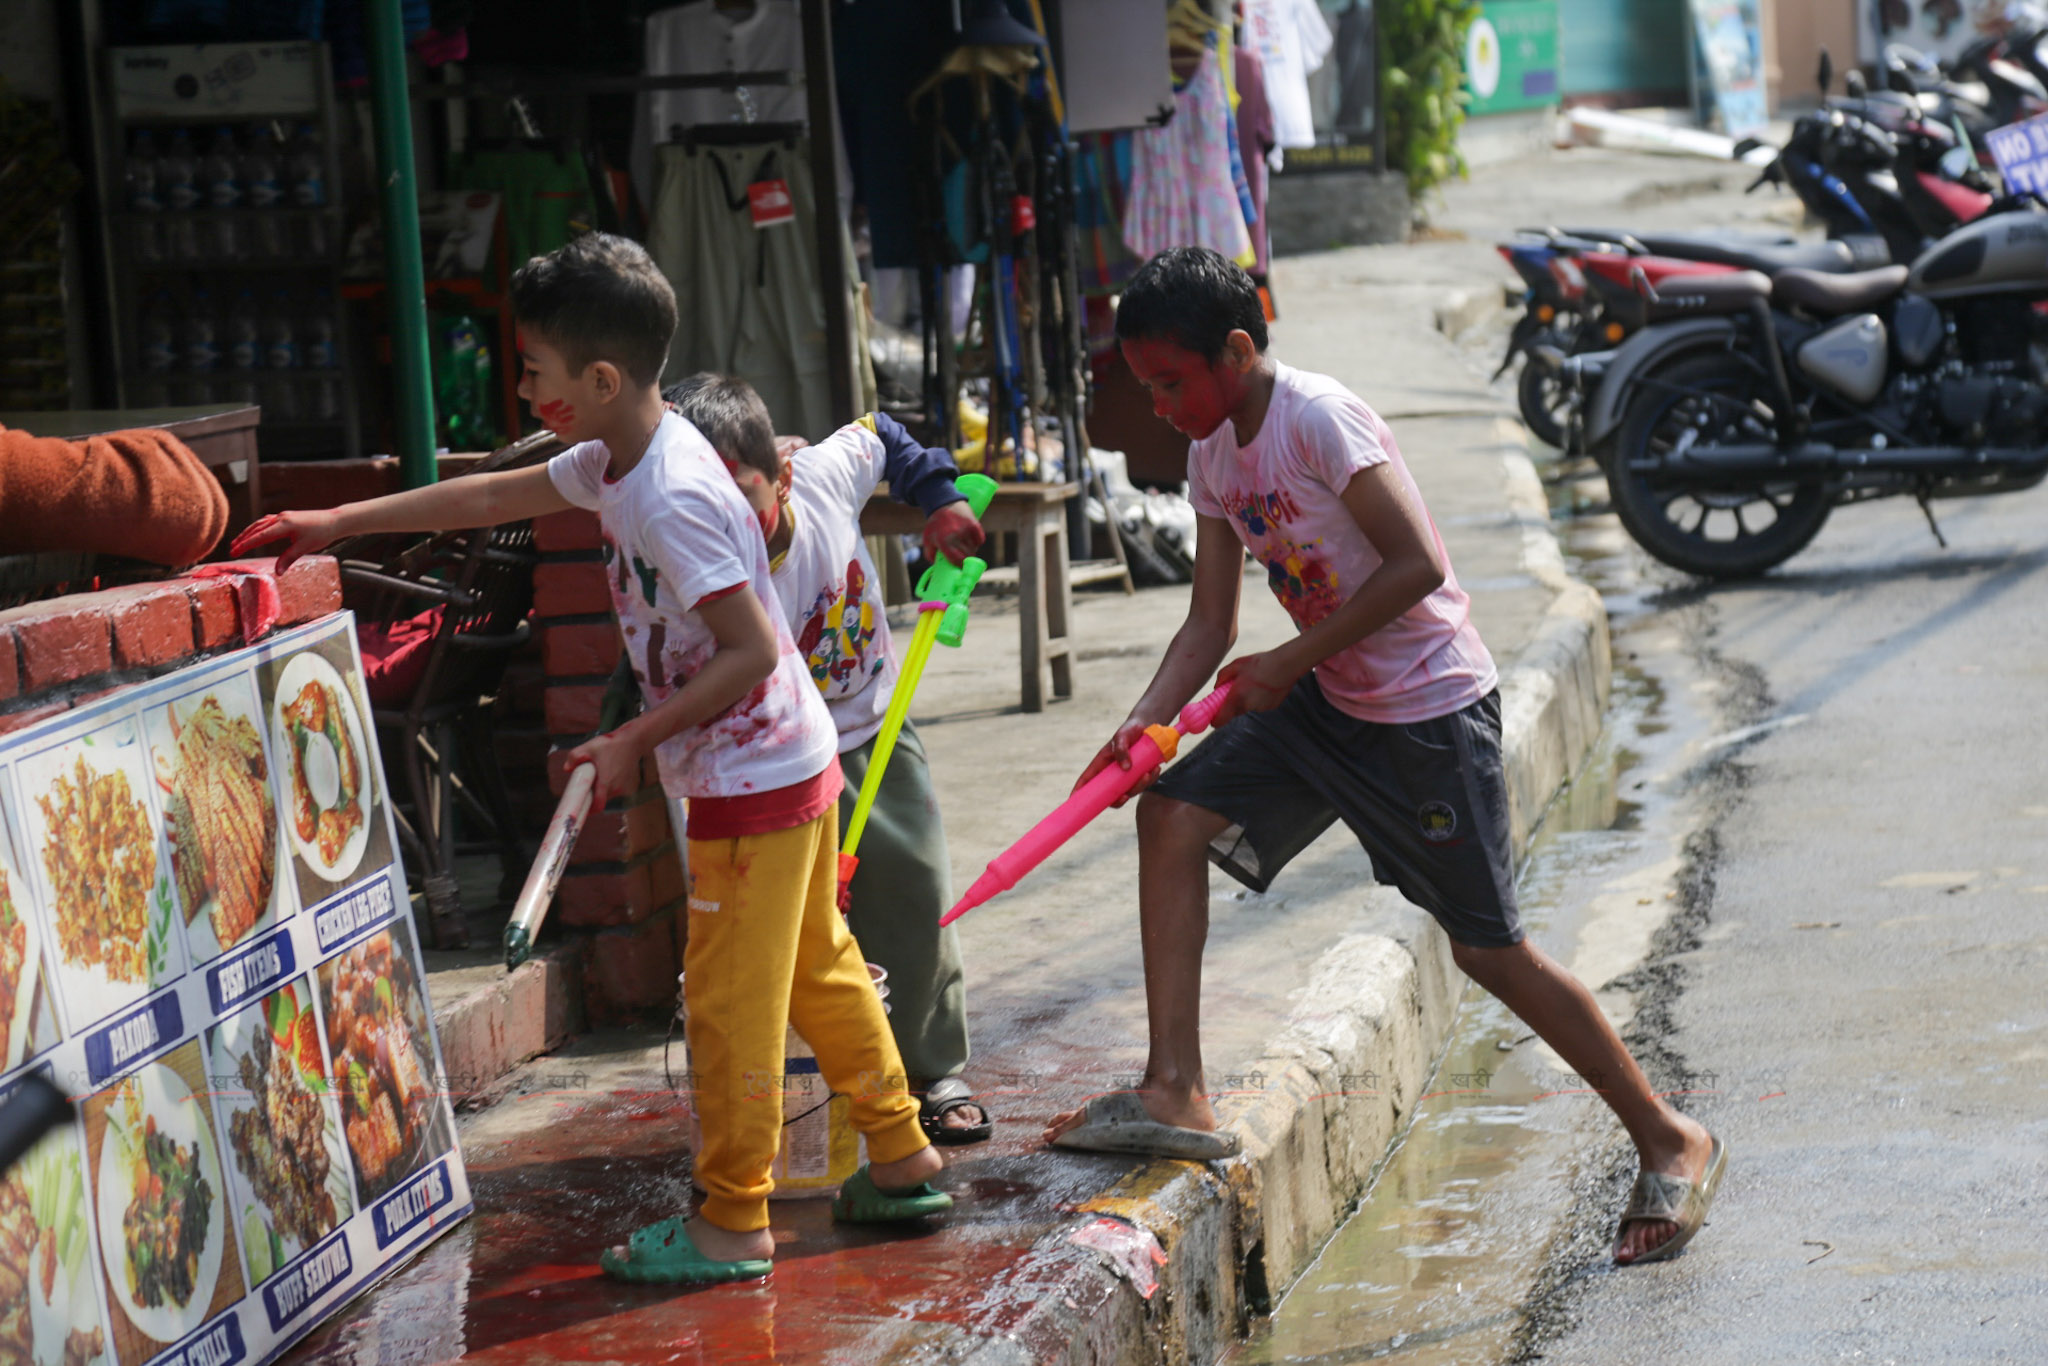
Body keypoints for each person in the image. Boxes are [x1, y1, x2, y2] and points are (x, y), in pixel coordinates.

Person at [232, 232, 950, 1284]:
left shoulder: (671, 496)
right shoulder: (628, 453)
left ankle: (733, 1219)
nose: (521, 385)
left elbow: (750, 649)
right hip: (779, 767)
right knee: (817, 965)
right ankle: (898, 1153)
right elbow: (488, 498)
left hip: (750, 783)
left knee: (727, 1002)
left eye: (533, 368)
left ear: (600, 379)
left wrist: (627, 740)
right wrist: (337, 524)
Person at [1043, 246, 1725, 1266]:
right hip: (1321, 699)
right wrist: (1143, 725)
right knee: (1168, 811)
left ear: (1235, 349)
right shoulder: (1208, 455)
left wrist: (1289, 660)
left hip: (1426, 713)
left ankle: (1668, 1134)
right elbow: (1208, 621)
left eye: (1171, 382)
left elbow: (1416, 565)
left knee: (1486, 949)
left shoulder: (1318, 419)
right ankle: (1174, 1085)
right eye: (1144, 387)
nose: (1159, 404)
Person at [664, 371, 994, 1144]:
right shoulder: (688, 552)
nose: (724, 521)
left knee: (912, 892)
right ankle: (802, 1092)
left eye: (740, 496)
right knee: (790, 935)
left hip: (868, 729)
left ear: (783, 470)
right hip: (767, 763)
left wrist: (939, 498)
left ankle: (931, 1066)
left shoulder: (821, 476)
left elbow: (881, 432)